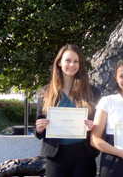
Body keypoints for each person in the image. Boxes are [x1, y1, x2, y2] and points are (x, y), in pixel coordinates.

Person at [35, 44, 100, 177]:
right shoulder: (45, 92)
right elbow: (38, 126)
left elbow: (99, 124)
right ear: (59, 62)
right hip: (56, 155)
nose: (72, 65)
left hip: (84, 154)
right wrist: (39, 128)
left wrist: (93, 126)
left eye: (76, 61)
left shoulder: (93, 91)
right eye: (68, 60)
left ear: (80, 64)